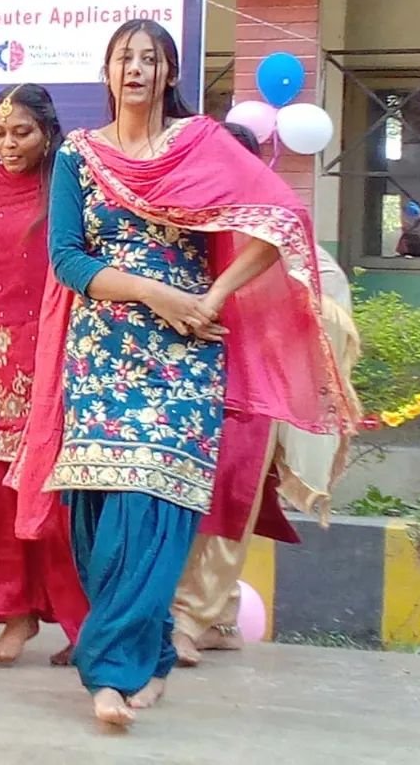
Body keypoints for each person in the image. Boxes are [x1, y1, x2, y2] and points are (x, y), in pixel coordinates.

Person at [10, 20, 357, 727]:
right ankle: (156, 649)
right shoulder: (80, 155)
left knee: (153, 510)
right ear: (108, 73)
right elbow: (68, 259)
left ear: (169, 73)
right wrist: (155, 293)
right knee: (98, 522)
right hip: (102, 353)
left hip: (183, 353)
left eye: (150, 59)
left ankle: (110, 675)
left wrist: (214, 297)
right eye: (123, 58)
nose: (135, 69)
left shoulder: (199, 143)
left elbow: (282, 220)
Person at [171, 122, 362, 665]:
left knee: (227, 503)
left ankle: (188, 619)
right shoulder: (188, 222)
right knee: (183, 504)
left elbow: (327, 297)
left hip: (251, 394)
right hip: (186, 386)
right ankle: (217, 617)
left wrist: (282, 314)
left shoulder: (275, 230)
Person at [0, 85, 87, 666]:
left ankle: (84, 624)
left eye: (21, 132)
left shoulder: (67, 187)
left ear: (48, 134)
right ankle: (15, 611)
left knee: (53, 492)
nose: (8, 143)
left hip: (53, 350)